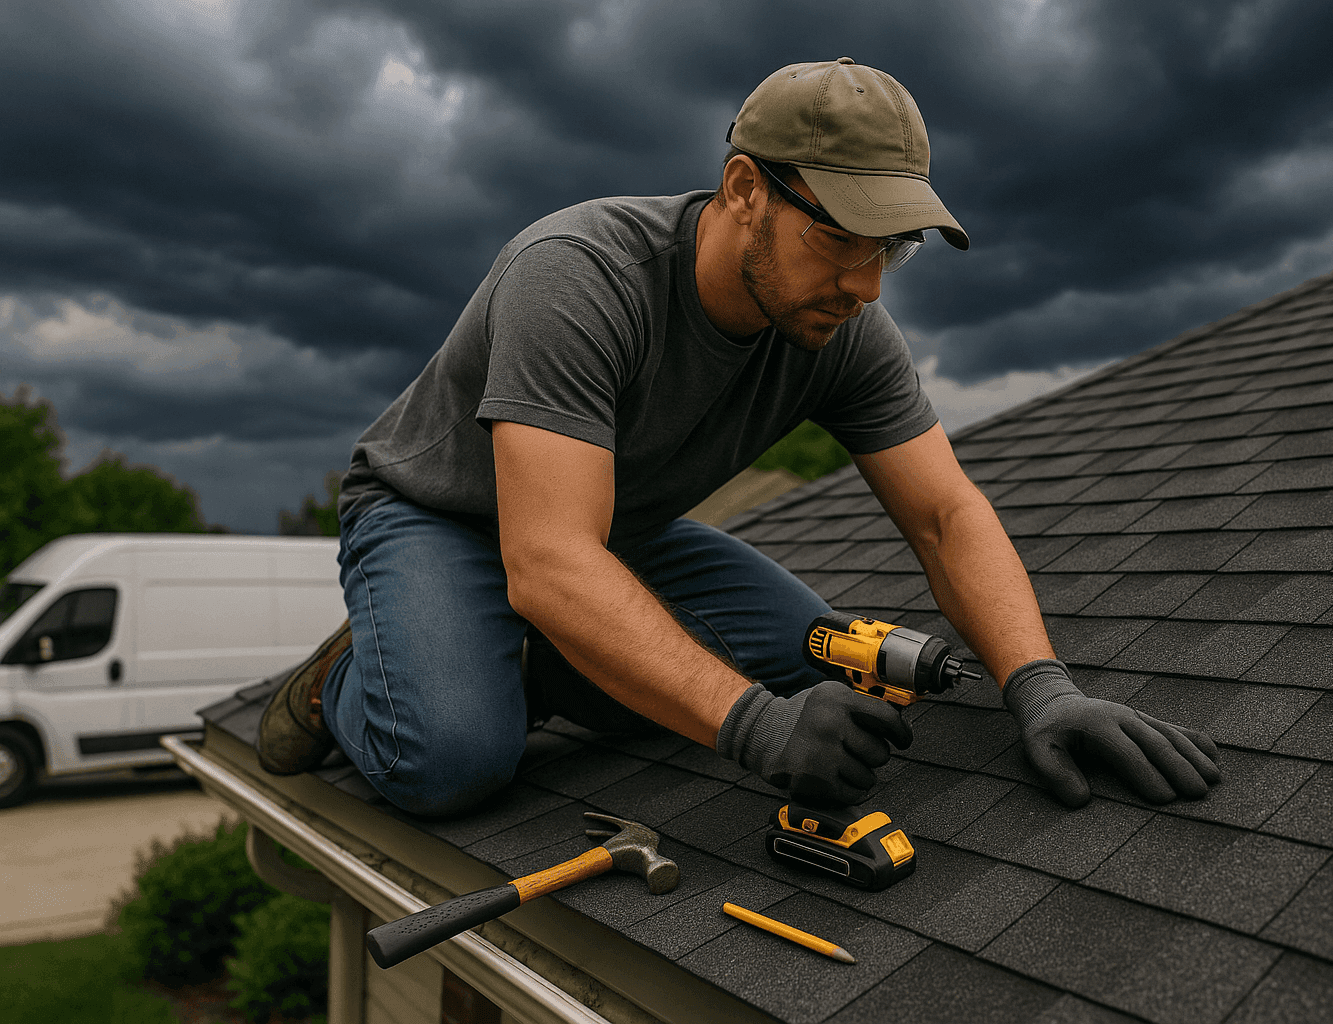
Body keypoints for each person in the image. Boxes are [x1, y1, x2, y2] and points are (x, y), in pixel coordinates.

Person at [257, 57, 1222, 817]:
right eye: (841, 236)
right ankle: (348, 678)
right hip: (441, 518)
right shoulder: (581, 274)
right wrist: (755, 731)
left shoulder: (843, 329)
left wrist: (1042, 688)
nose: (867, 283)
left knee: (820, 658)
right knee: (453, 763)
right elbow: (548, 559)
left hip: (618, 530)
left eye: (892, 247)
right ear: (745, 188)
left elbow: (942, 512)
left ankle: (547, 662)